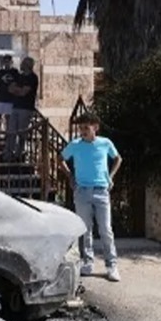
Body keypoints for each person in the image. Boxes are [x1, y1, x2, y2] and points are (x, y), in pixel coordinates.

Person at [60, 112, 124, 282]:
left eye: (86, 128)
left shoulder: (105, 143)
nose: (83, 131)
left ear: (95, 127)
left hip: (101, 190)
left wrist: (110, 177)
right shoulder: (75, 145)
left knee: (105, 229)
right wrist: (70, 176)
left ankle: (111, 265)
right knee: (85, 230)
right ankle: (88, 263)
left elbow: (118, 158)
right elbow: (61, 159)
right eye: (81, 128)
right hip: (82, 191)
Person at [4, 57, 37, 161]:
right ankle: (8, 153)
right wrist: (19, 90)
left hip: (26, 108)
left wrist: (17, 90)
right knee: (11, 131)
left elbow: (24, 92)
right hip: (15, 106)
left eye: (23, 63)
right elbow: (10, 89)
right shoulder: (19, 76)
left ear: (28, 65)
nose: (21, 65)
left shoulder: (33, 77)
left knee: (22, 132)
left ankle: (19, 153)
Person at [0, 55, 18, 141]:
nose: (7, 63)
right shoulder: (1, 72)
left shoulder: (15, 72)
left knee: (8, 118)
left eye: (8, 61)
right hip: (0, 97)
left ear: (11, 62)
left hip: (10, 98)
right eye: (5, 61)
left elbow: (17, 83)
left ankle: (8, 135)